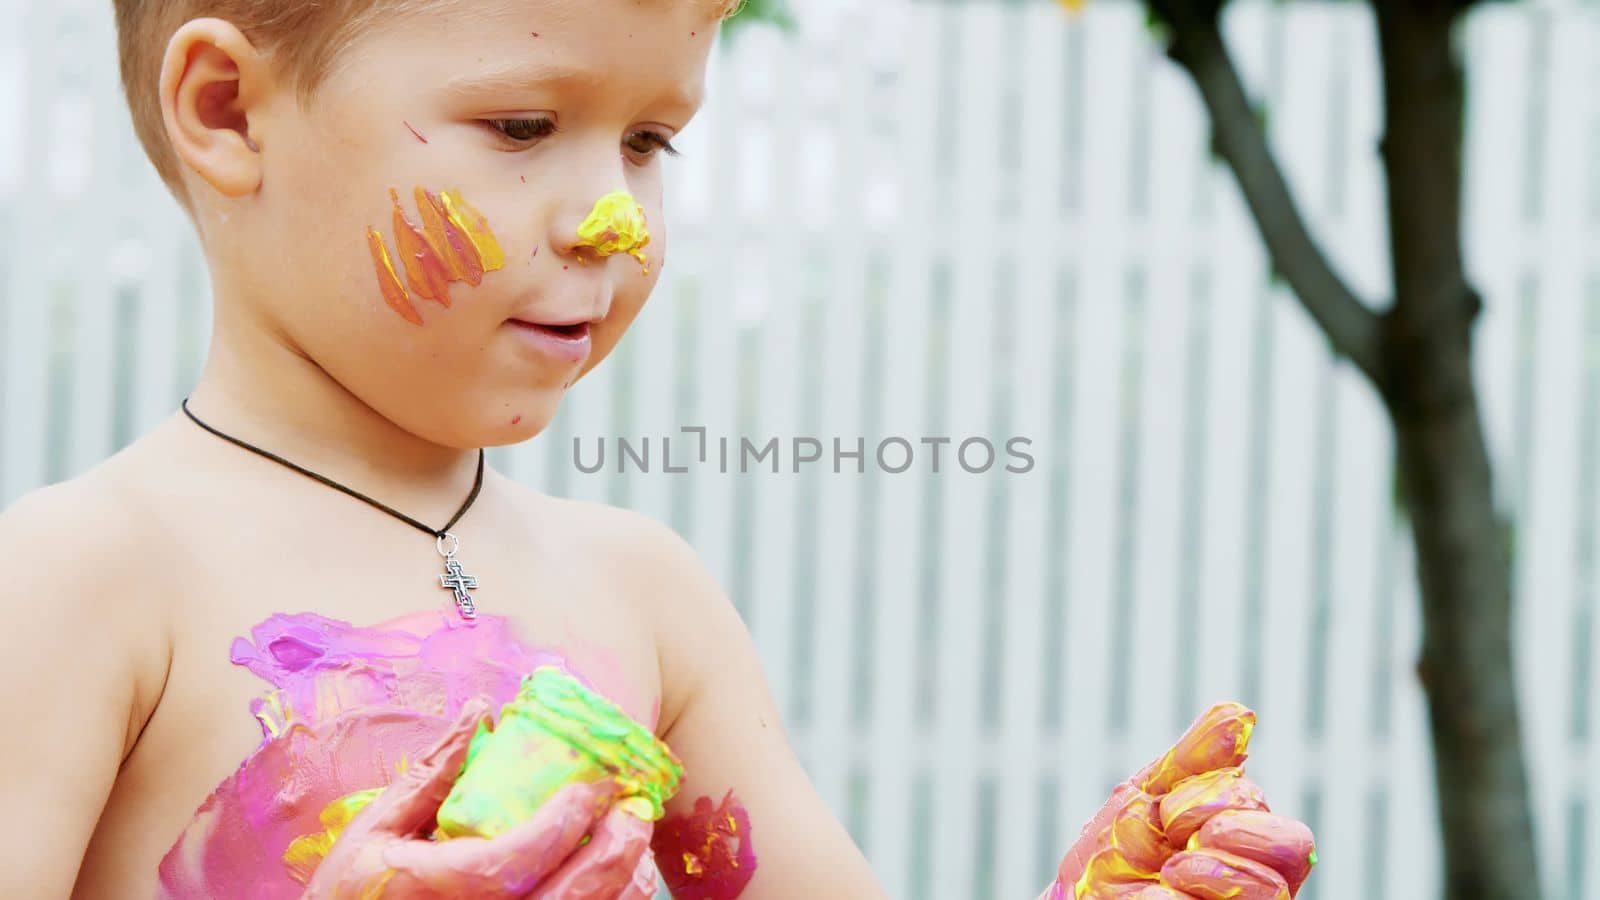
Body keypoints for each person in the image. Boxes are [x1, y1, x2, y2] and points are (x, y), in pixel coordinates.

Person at [0, 0, 1317, 897]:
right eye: (524, 128)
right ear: (229, 109)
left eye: (649, 140)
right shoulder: (87, 579)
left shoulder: (645, 594)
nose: (615, 220)